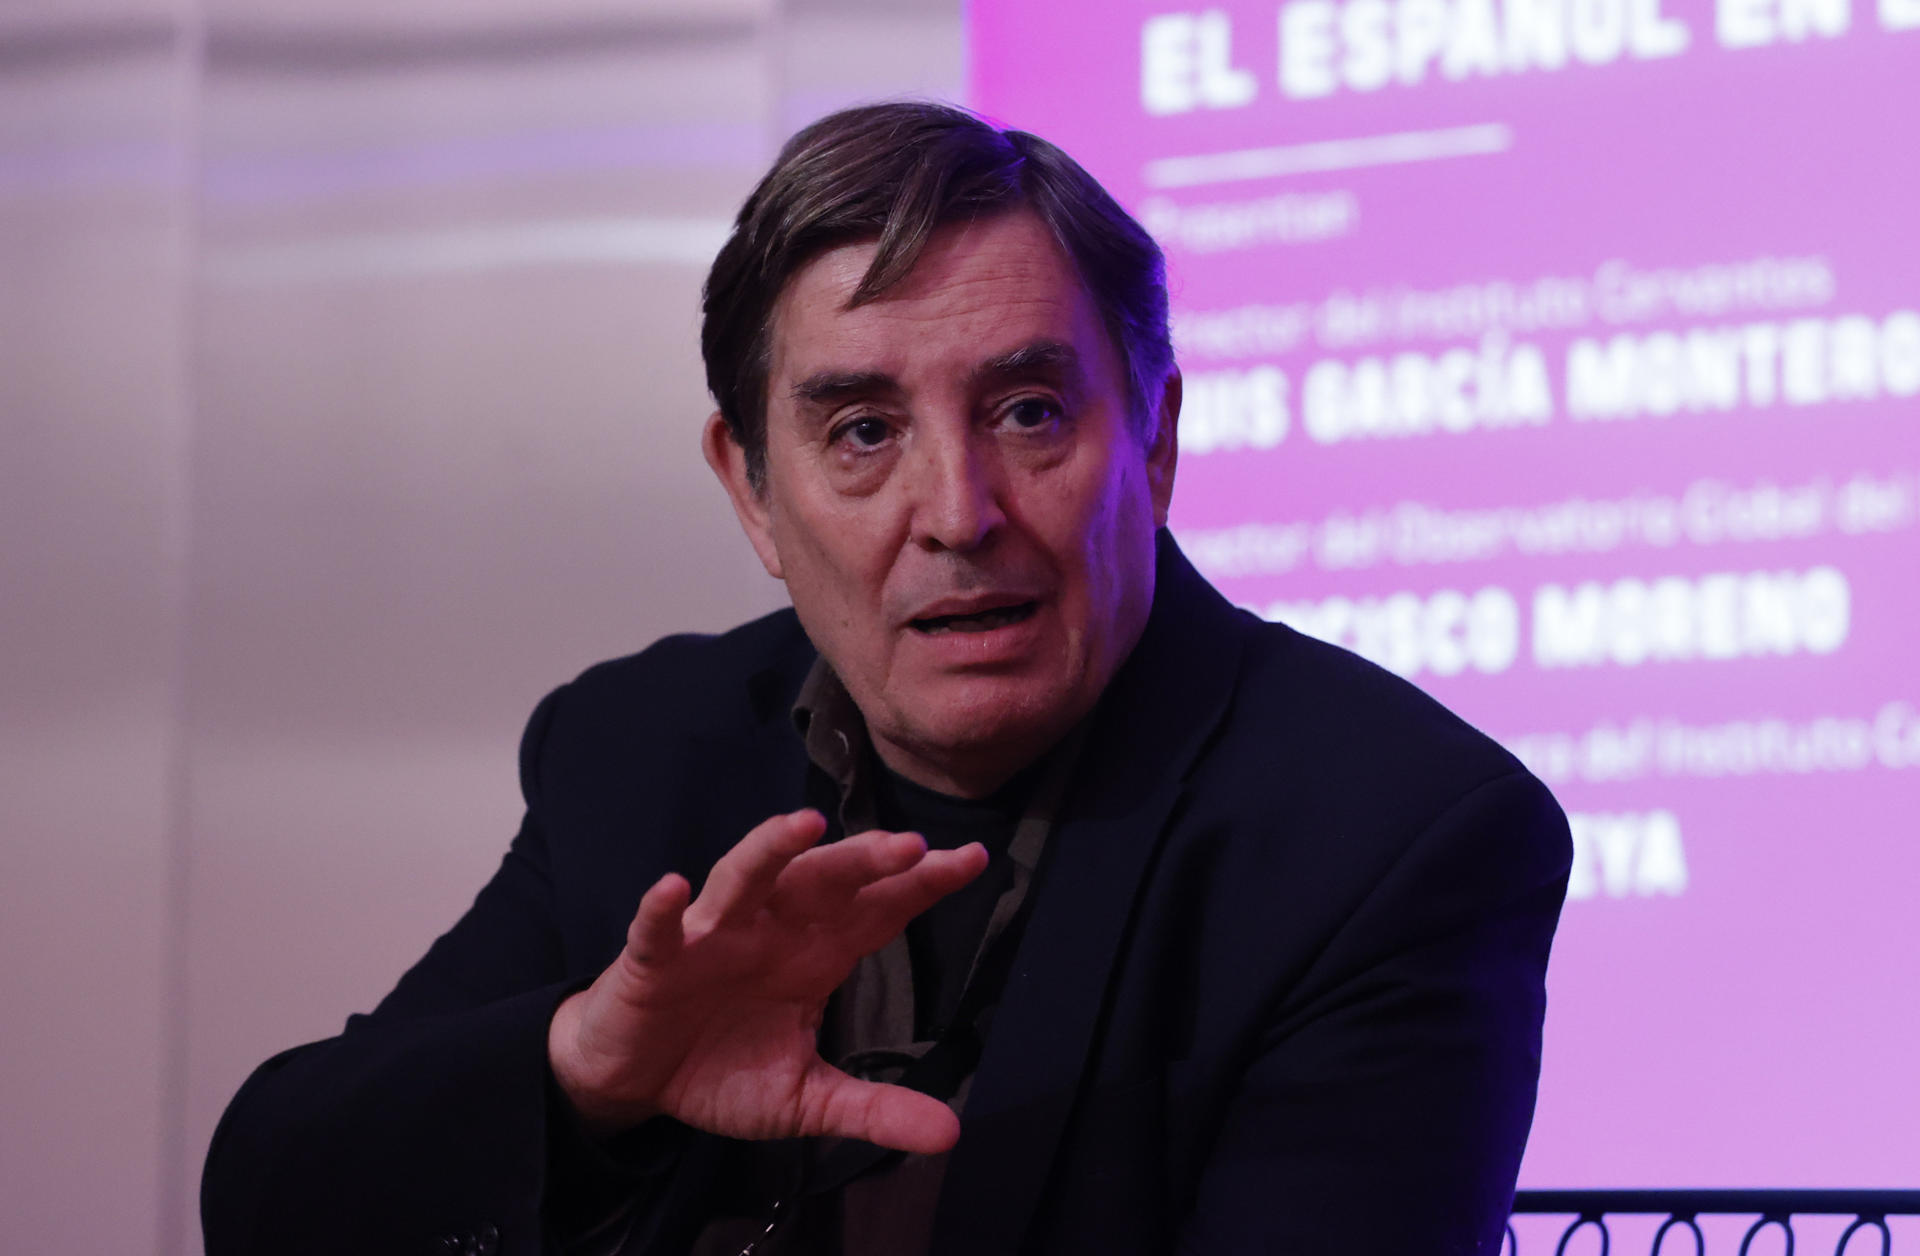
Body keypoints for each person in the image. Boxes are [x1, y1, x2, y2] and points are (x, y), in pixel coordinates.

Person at [202, 101, 1572, 1256]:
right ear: (752, 492)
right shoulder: (640, 745)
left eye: (1029, 412)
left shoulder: (1395, 833)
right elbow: (272, 1197)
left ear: (1154, 444)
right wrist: (588, 1072)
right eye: (863, 431)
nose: (960, 513)